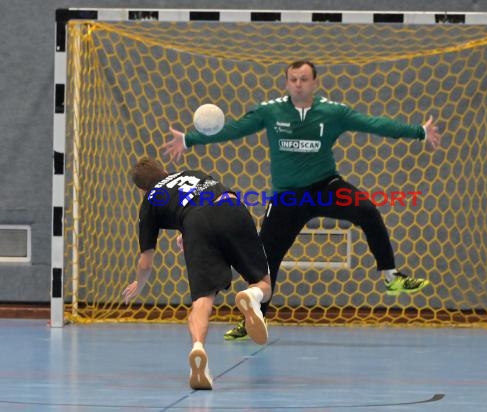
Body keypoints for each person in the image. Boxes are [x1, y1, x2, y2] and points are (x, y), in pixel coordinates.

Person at [162, 60, 442, 341]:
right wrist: (189, 139)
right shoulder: (270, 112)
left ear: (314, 83)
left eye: (304, 79)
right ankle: (252, 321)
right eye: (293, 79)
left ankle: (391, 276)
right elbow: (234, 129)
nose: (298, 84)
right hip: (288, 197)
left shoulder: (332, 112)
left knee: (367, 210)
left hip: (325, 187)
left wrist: (419, 131)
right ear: (286, 83)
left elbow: (374, 124)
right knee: (265, 261)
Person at [122, 157, 272, 389]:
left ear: (142, 189)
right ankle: (252, 296)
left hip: (195, 223)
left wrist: (138, 285)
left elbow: (145, 262)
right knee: (263, 283)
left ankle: (198, 349)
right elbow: (200, 199)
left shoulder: (149, 202)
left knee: (202, 301)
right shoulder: (190, 172)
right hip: (229, 206)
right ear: (163, 171)